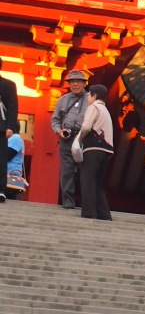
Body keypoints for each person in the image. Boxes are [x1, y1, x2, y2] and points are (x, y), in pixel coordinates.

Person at [75, 83, 113, 220]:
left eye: (89, 94)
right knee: (98, 182)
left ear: (94, 95)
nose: (87, 96)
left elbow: (86, 127)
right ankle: (104, 214)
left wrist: (79, 140)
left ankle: (89, 212)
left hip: (93, 148)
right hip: (106, 149)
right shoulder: (105, 110)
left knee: (87, 180)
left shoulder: (94, 107)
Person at [50, 69, 88, 209]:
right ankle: (68, 201)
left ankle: (86, 201)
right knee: (67, 171)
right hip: (67, 139)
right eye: (72, 81)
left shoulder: (90, 99)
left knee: (85, 170)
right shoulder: (63, 100)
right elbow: (55, 119)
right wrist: (58, 130)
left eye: (78, 81)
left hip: (84, 139)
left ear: (84, 83)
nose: (75, 84)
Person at [0, 58, 19, 204]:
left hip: (1, 126)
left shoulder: (7, 85)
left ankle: (1, 190)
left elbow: (12, 107)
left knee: (1, 159)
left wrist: (10, 126)